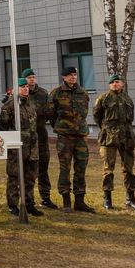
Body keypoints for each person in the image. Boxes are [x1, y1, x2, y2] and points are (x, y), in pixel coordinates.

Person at [47, 66, 92, 212]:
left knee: (81, 168)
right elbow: (51, 114)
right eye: (70, 75)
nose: (73, 77)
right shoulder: (56, 93)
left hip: (81, 136)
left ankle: (80, 200)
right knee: (65, 167)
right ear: (63, 77)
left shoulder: (82, 92)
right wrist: (61, 127)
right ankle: (66, 200)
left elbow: (84, 112)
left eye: (74, 74)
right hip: (65, 136)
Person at [94, 74, 135, 211]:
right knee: (108, 169)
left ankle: (130, 198)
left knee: (129, 169)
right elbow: (97, 116)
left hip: (126, 137)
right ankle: (107, 198)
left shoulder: (127, 99)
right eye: (112, 82)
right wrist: (107, 129)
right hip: (109, 137)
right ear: (109, 85)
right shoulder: (103, 98)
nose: (115, 84)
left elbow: (130, 118)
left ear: (122, 83)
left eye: (117, 82)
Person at [0, 78, 40, 217]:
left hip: (32, 147)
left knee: (30, 177)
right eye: (22, 87)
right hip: (16, 147)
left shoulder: (31, 104)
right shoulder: (10, 106)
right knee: (14, 176)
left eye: (27, 86)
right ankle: (13, 205)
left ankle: (29, 204)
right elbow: (3, 126)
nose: (25, 89)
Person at [23, 69, 55, 209]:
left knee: (43, 166)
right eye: (29, 77)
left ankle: (45, 197)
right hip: (26, 138)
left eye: (33, 77)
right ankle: (28, 200)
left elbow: (48, 112)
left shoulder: (43, 93)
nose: (32, 80)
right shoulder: (22, 93)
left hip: (41, 135)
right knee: (28, 170)